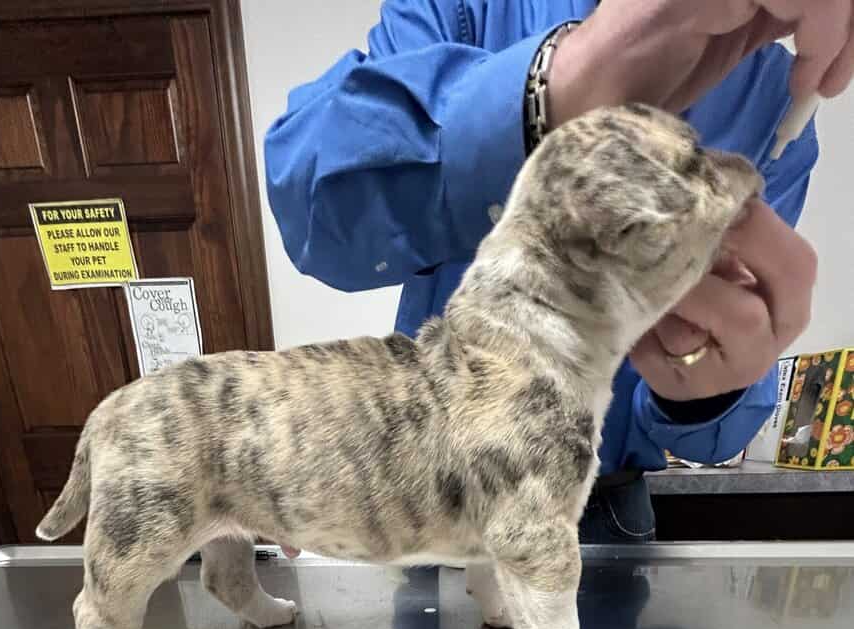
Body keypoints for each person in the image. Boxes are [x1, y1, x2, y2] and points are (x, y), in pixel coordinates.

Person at [266, 1, 854, 542]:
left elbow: (710, 429)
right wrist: (554, 88)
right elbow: (314, 200)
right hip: (439, 492)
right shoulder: (467, 7)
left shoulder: (774, 102)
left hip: (596, 506)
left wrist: (700, 387)